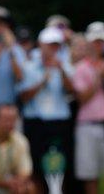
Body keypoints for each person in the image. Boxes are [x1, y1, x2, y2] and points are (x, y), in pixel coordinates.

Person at [17, 27, 74, 193]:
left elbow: (72, 91)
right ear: (41, 45)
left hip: (59, 122)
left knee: (61, 168)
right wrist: (43, 80)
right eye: (50, 45)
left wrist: (61, 70)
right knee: (36, 169)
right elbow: (24, 96)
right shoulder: (29, 66)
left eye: (56, 45)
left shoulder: (65, 65)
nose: (53, 49)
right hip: (36, 123)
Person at [72, 22, 104, 194]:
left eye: (102, 41)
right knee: (90, 175)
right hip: (87, 126)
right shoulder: (81, 67)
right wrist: (99, 75)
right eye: (95, 41)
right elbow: (82, 98)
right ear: (90, 43)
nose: (98, 45)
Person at [0, 104, 34, 194]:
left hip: (10, 187)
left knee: (30, 188)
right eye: (6, 120)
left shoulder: (21, 141)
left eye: (13, 120)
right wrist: (6, 184)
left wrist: (17, 183)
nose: (10, 124)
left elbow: (25, 172)